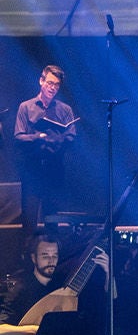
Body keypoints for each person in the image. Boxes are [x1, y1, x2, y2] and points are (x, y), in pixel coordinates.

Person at [13, 63, 76, 239]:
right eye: (50, 83)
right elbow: (18, 136)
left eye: (56, 85)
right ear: (41, 81)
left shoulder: (65, 110)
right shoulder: (26, 107)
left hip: (54, 170)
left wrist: (59, 139)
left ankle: (52, 261)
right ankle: (27, 261)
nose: (52, 88)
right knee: (29, 222)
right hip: (32, 170)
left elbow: (72, 137)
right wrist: (39, 136)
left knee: (53, 221)